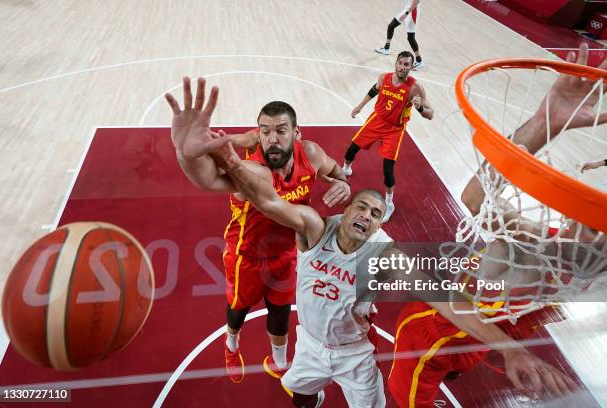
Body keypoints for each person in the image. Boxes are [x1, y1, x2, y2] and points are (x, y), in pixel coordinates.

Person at [175, 94, 578, 407]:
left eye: (376, 213)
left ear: (382, 223)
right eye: (361, 208)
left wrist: (509, 350)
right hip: (310, 343)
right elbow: (267, 201)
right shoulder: (315, 228)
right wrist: (201, 154)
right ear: (344, 211)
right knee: (295, 388)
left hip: (353, 354)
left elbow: (445, 301)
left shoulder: (386, 255)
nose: (366, 217)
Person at [389, 44, 606, 407]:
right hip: (430, 339)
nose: (577, 219)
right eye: (587, 219)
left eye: (595, 228)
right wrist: (544, 123)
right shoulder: (528, 248)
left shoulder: (582, 264)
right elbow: (475, 198)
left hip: (479, 340)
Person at [165, 77, 351, 384]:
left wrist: (343, 183)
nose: (272, 139)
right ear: (258, 135)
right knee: (238, 309)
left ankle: (279, 363)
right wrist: (185, 153)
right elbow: (207, 179)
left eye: (280, 131)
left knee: (280, 313)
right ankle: (231, 345)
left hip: (287, 252)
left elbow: (333, 169)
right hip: (246, 256)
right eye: (265, 132)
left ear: (296, 133)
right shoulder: (253, 172)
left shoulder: (312, 153)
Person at [342, 51, 433, 222]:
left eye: (407, 64)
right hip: (377, 120)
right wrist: (360, 106)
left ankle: (389, 202)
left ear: (411, 67)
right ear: (396, 63)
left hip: (395, 129)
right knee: (352, 148)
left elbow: (430, 114)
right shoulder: (384, 78)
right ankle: (346, 168)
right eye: (400, 63)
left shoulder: (415, 87)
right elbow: (373, 91)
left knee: (388, 167)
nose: (402, 67)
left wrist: (420, 108)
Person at [374, 0, 425, 70]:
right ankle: (386, 48)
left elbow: (417, 1)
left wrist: (406, 13)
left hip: (412, 12)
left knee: (410, 37)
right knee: (391, 26)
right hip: (407, 10)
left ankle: (419, 61)